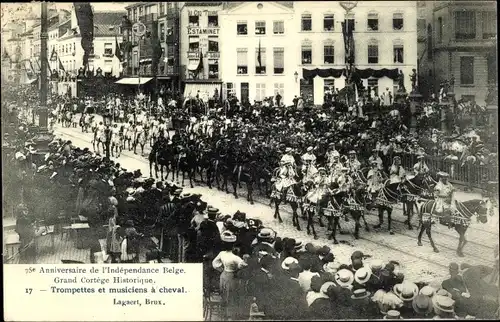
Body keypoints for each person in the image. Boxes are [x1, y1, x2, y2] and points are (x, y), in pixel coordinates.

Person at [212, 231, 248, 319]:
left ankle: (223, 313)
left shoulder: (221, 254)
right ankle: (230, 315)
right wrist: (245, 259)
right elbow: (243, 265)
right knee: (231, 296)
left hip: (223, 275)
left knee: (224, 293)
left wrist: (221, 269)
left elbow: (214, 263)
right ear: (233, 246)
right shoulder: (235, 258)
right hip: (231, 276)